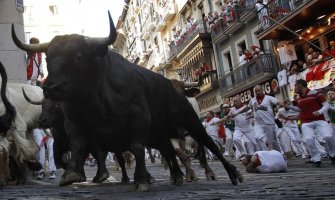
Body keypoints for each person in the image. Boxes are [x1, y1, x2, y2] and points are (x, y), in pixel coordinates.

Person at [290, 79, 335, 166]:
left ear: (301, 85)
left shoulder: (315, 93)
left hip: (320, 119)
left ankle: (333, 155)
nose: (294, 88)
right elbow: (300, 110)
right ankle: (316, 158)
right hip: (306, 122)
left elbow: (326, 105)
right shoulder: (298, 98)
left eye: (295, 86)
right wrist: (289, 107)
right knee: (308, 140)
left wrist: (319, 112)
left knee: (328, 136)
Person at [232, 85, 281, 152]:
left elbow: (278, 102)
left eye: (259, 90)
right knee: (257, 137)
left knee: (272, 141)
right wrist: (238, 113)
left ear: (262, 90)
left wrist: (283, 103)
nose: (257, 92)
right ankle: (265, 153)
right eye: (256, 91)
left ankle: (280, 153)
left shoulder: (269, 98)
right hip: (258, 123)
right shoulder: (252, 100)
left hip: (269, 123)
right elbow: (247, 108)